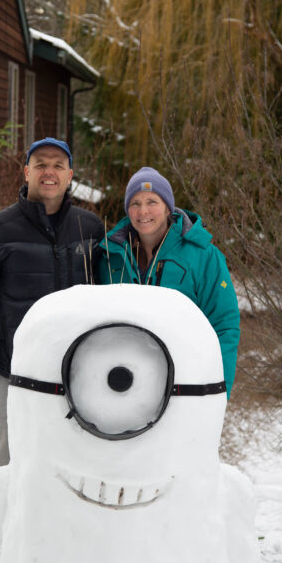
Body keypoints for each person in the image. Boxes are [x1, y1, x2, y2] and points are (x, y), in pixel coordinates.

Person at [0, 138, 104, 476]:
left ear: (69, 175)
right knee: (0, 475)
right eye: (41, 164)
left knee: (72, 477)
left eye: (58, 165)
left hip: (78, 378)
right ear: (27, 172)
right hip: (12, 375)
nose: (49, 171)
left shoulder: (90, 229)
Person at [97, 166, 241, 393]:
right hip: (125, 387)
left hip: (185, 386)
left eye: (152, 201)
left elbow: (224, 325)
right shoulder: (109, 256)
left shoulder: (203, 255)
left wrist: (218, 393)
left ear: (167, 208)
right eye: (135, 203)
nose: (143, 211)